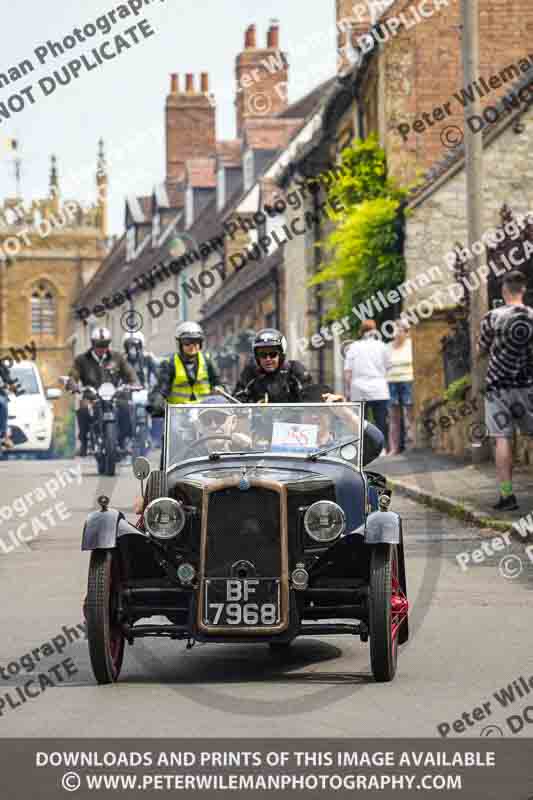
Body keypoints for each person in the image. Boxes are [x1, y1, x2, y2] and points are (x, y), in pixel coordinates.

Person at [478, 270, 533, 511]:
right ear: (523, 290)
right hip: (528, 385)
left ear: (504, 290)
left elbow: (481, 349)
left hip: (498, 386)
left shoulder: (492, 317)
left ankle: (507, 495)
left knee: (502, 438)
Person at [69, 326, 137, 456]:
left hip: (114, 395)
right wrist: (72, 384)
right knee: (83, 408)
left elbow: (129, 372)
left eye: (105, 344)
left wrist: (134, 383)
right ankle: (84, 442)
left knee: (126, 406)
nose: (101, 348)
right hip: (91, 395)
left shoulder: (117, 357)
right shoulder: (81, 360)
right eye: (98, 344)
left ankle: (124, 440)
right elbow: (73, 374)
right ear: (92, 343)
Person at [344, 319, 391, 451]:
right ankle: (381, 449)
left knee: (360, 423)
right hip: (379, 389)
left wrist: (348, 391)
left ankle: (363, 449)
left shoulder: (353, 347)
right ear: (375, 330)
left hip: (359, 390)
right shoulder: (382, 346)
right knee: (381, 421)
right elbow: (388, 367)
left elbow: (348, 372)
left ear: (361, 331)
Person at [234, 328, 312, 403]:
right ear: (257, 357)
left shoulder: (293, 370)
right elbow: (236, 400)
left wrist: (320, 398)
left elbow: (311, 395)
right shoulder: (251, 372)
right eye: (263, 354)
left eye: (272, 354)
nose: (268, 359)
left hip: (293, 416)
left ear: (281, 355)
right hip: (260, 417)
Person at [387, 320, 414, 455]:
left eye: (400, 330)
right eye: (395, 331)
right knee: (393, 417)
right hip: (391, 383)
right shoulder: (388, 347)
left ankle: (412, 445)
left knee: (409, 414)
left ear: (406, 332)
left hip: (408, 381)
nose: (396, 334)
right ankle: (394, 448)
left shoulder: (411, 346)